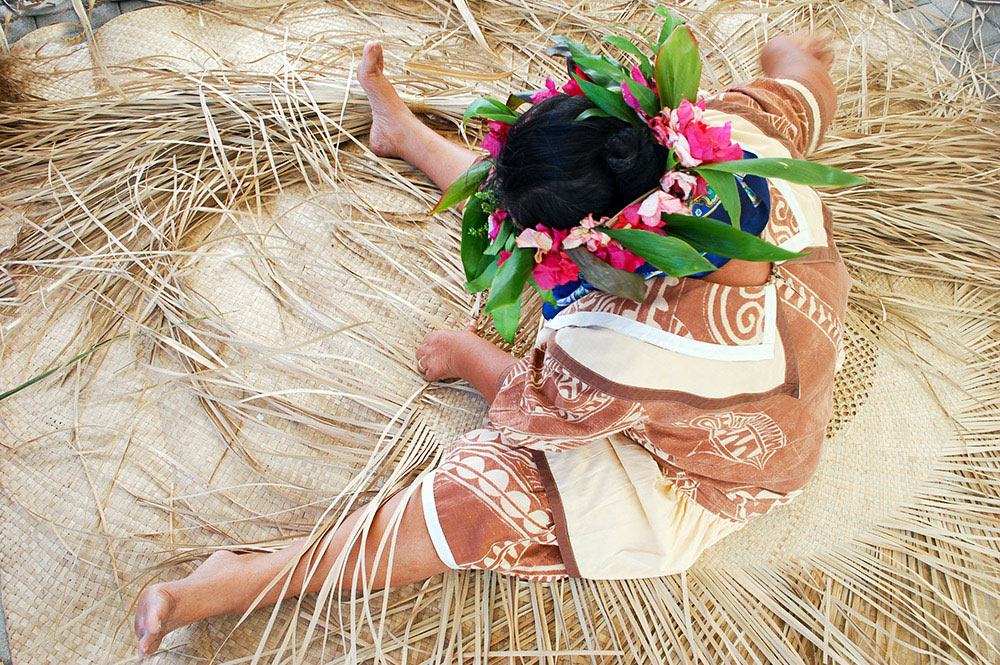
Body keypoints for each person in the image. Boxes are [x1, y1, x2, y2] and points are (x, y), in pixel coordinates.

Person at [134, 31, 848, 658]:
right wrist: (793, 55)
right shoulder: (724, 129)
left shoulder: (610, 354)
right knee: (532, 205)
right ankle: (407, 136)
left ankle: (242, 580)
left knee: (477, 500)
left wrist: (469, 354)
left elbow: (526, 403)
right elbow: (803, 87)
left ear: (601, 244)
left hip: (721, 460)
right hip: (777, 316)